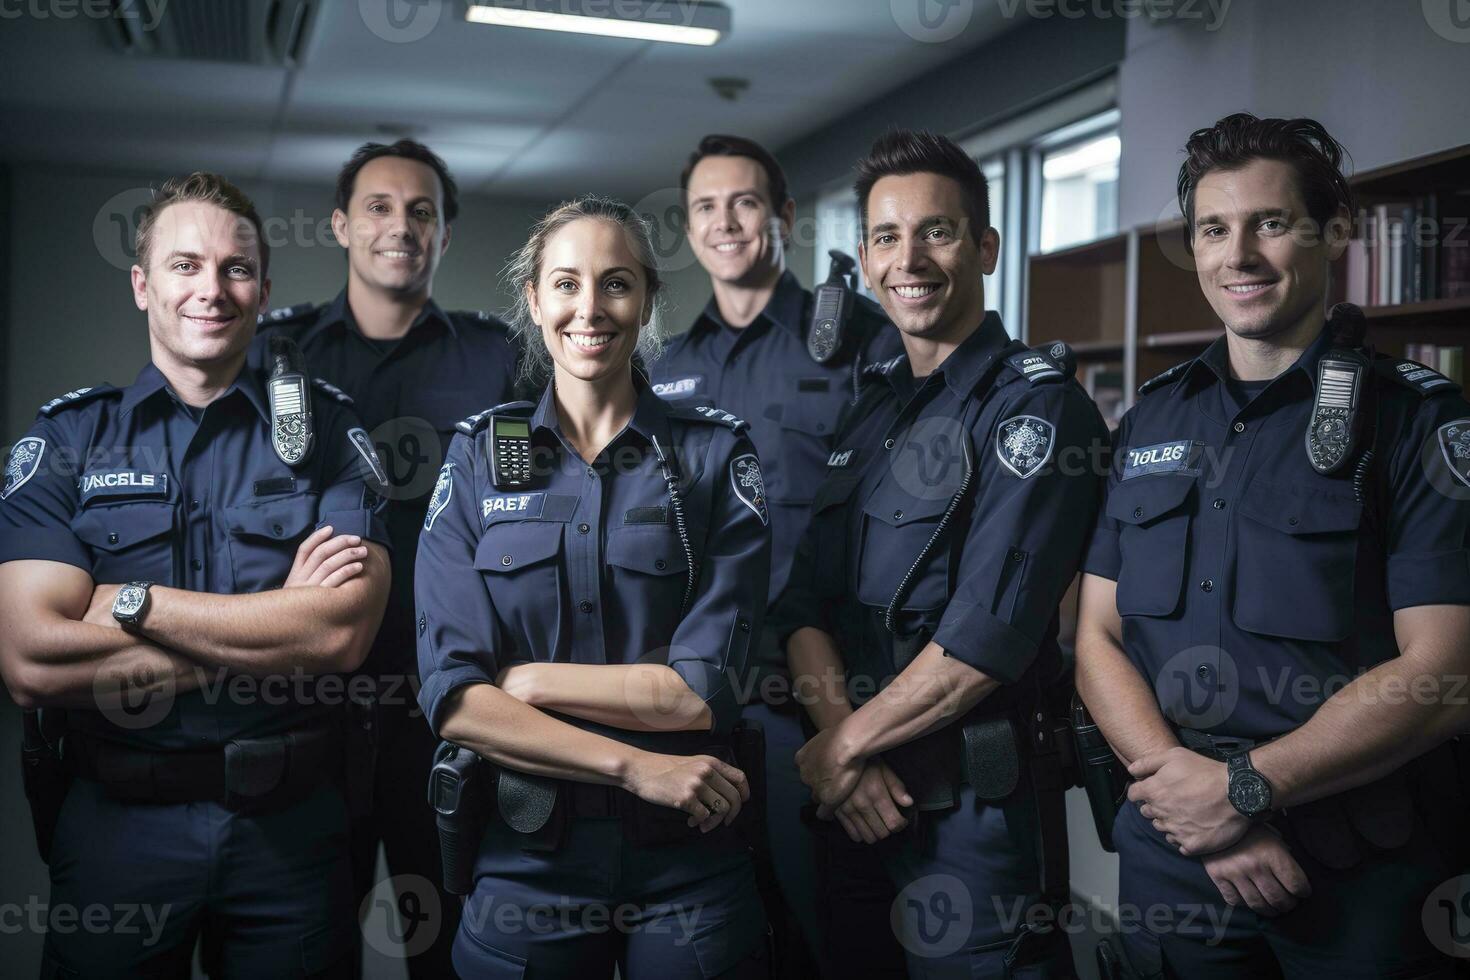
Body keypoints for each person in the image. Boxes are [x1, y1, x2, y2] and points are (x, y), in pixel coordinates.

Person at [1075, 113, 1470, 978]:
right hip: (1172, 856)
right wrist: (1194, 803)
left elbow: (1447, 673)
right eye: (1214, 229)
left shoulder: (1416, 421)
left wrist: (1245, 791)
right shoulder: (1151, 416)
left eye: (1271, 223)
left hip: (1360, 866)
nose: (1238, 255)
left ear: (1334, 232)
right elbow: (1098, 638)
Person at [0, 172, 391, 978]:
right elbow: (31, 661)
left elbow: (342, 634)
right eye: (185, 266)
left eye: (235, 269)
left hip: (291, 831)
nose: (211, 290)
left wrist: (132, 604)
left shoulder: (327, 431)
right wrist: (275, 624)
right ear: (143, 285)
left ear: (264, 289)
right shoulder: (69, 439)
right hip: (118, 830)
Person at [771, 129, 1105, 978]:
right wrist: (847, 750)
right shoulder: (872, 407)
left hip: (974, 819)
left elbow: (986, 638)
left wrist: (838, 752)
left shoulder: (1037, 412)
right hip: (857, 807)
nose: (908, 258)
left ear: (987, 246)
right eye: (886, 236)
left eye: (938, 231)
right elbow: (803, 606)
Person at [414, 196, 771, 977]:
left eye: (616, 284)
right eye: (566, 284)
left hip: (689, 862)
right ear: (535, 300)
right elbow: (452, 697)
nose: (590, 308)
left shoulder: (714, 458)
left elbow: (702, 693)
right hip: (525, 855)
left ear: (645, 301)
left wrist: (529, 681)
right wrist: (636, 764)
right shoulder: (477, 459)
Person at [255, 138, 519, 975]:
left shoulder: (500, 355)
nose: (399, 227)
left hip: (444, 706)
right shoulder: (274, 357)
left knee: (445, 944)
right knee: (300, 944)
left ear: (443, 234)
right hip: (304, 706)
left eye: (422, 211)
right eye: (378, 206)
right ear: (339, 224)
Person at [650, 133, 904, 978]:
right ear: (688, 230)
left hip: (829, 697)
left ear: (784, 218)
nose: (726, 223)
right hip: (705, 708)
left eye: (745, 202)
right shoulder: (667, 370)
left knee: (839, 937)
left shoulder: (866, 341)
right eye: (705, 208)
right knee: (722, 938)